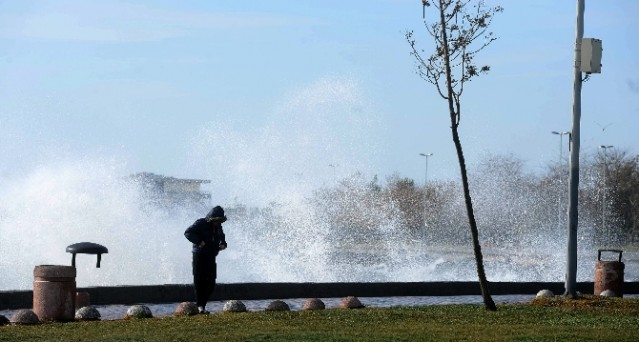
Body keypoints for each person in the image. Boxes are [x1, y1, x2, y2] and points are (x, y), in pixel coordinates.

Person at [184, 205, 228, 314]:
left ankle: (202, 304)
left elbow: (222, 237)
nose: (218, 222)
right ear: (211, 218)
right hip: (199, 255)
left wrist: (223, 244)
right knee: (200, 281)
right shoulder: (201, 223)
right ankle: (200, 306)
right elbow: (188, 232)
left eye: (220, 220)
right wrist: (199, 242)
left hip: (211, 255)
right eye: (217, 220)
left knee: (211, 282)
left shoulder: (218, 227)